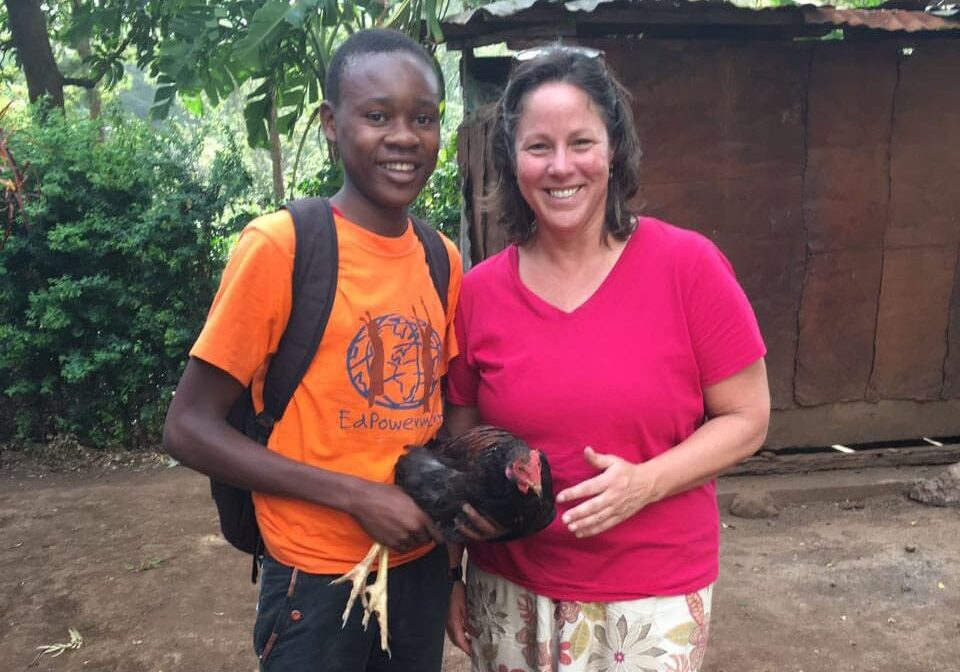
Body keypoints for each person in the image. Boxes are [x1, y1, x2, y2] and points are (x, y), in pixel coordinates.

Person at [443, 46, 771, 672]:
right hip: (510, 591)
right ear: (511, 160)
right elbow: (459, 444)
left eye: (581, 142)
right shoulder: (479, 292)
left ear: (614, 149)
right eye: (538, 146)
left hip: (652, 595)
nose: (561, 166)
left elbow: (748, 419)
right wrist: (450, 571)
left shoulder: (688, 267)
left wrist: (645, 483)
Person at [162, 29, 463, 672]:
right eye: (377, 115)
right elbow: (187, 428)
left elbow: (439, 416)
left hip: (419, 567)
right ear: (331, 123)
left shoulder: (442, 259)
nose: (404, 136)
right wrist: (359, 497)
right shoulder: (282, 247)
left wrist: (456, 540)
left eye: (424, 118)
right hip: (315, 576)